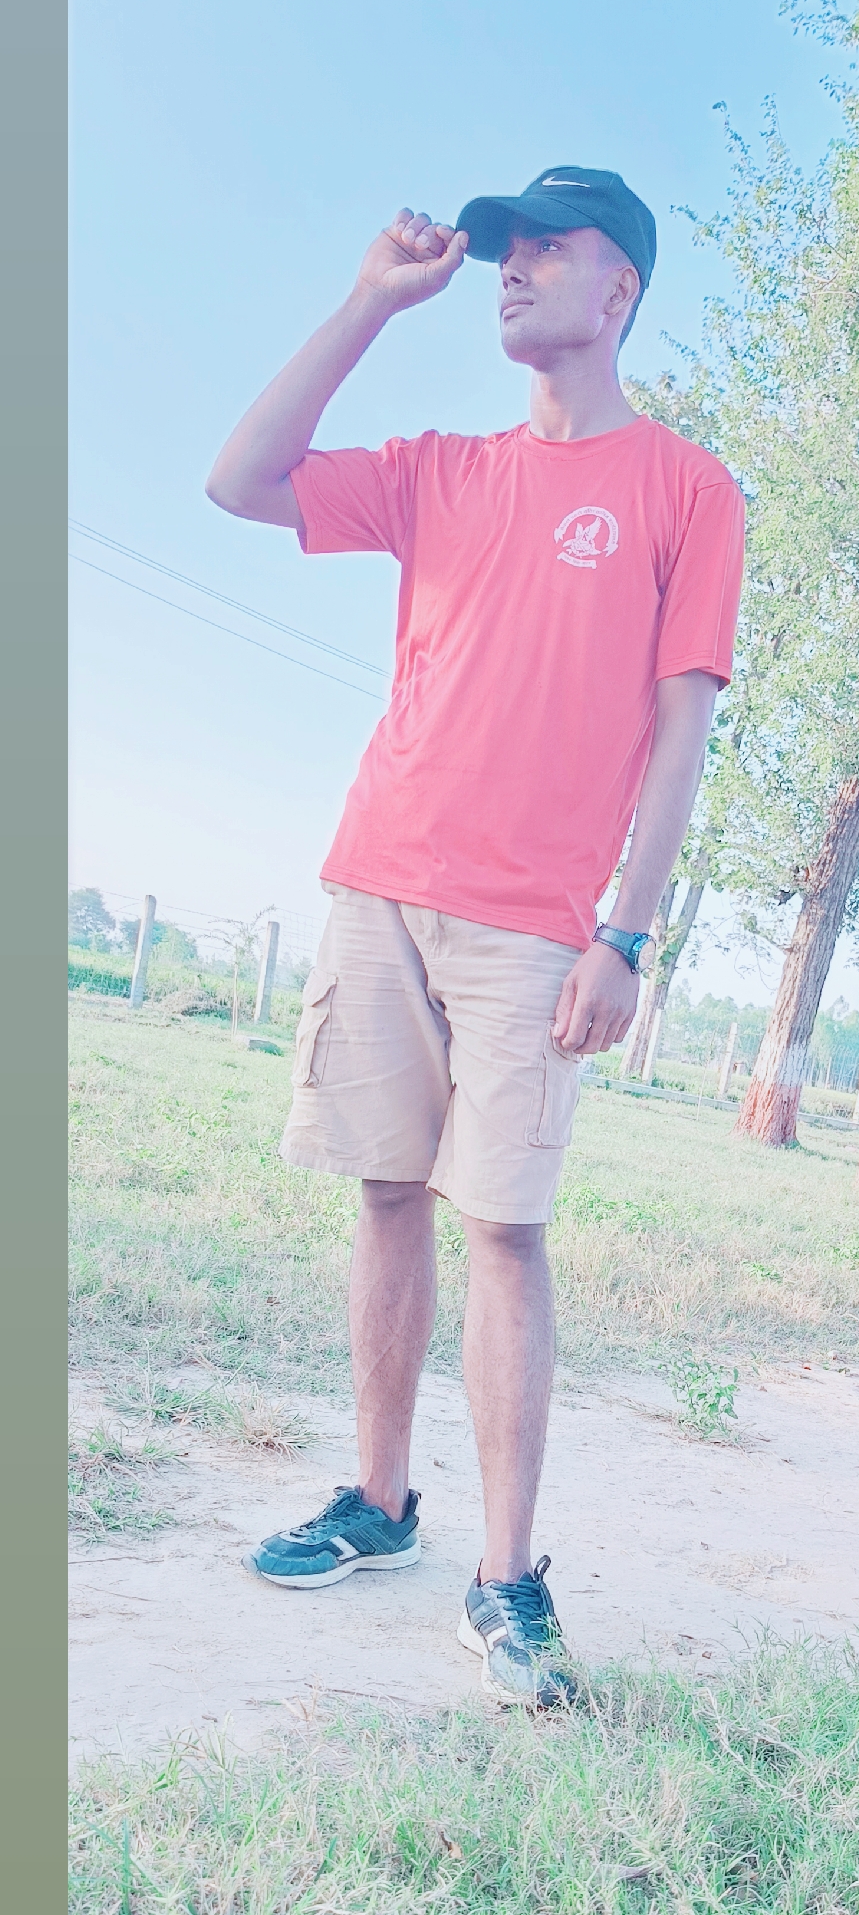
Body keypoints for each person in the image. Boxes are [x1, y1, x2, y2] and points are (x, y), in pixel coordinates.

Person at [206, 166, 745, 1707]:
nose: (509, 269)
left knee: (504, 1227)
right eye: (504, 251)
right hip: (381, 882)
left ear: (619, 288)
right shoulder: (442, 471)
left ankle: (506, 1581)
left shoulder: (688, 491)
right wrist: (372, 301)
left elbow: (683, 726)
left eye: (545, 250)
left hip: (536, 930)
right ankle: (379, 1504)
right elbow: (240, 478)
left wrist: (627, 935)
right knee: (386, 1193)